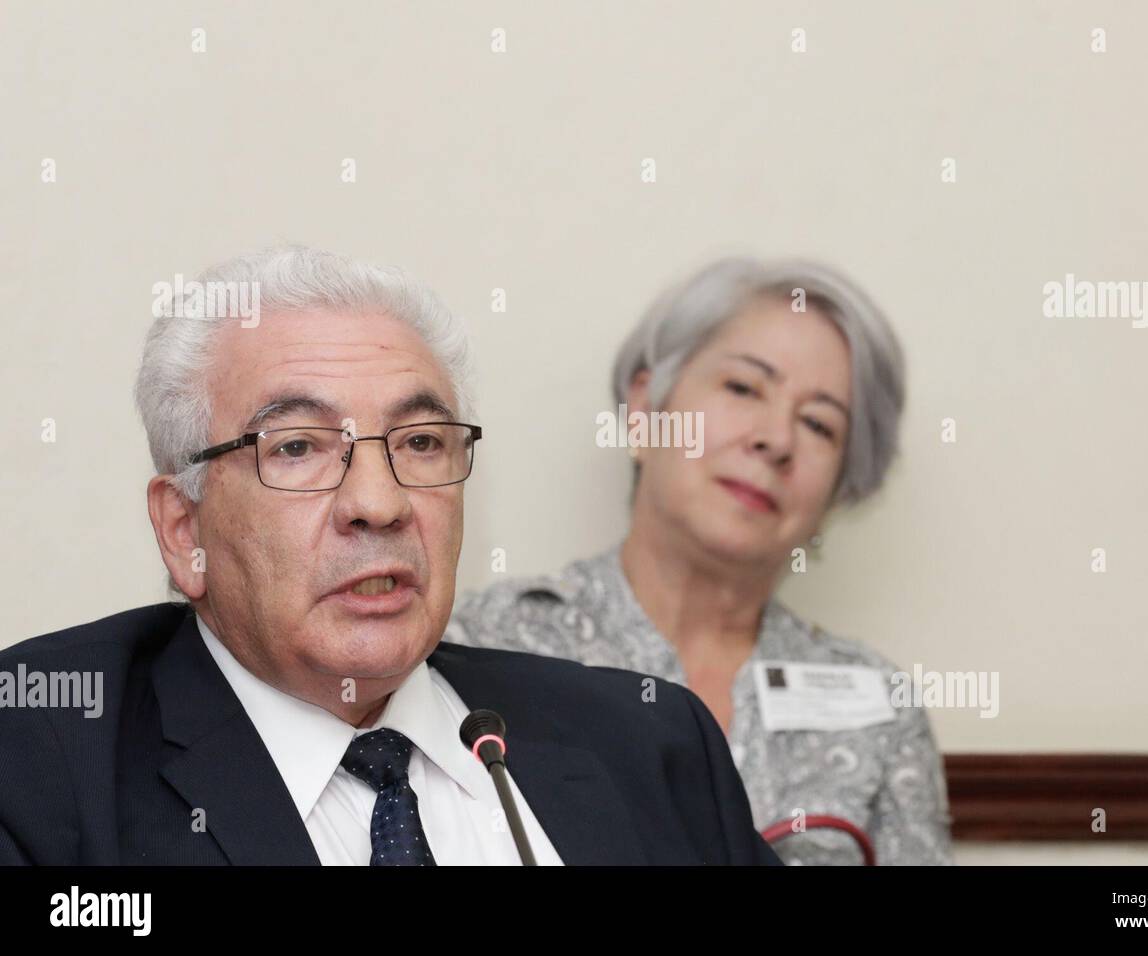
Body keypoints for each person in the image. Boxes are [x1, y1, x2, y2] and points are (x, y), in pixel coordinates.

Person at [0, 245, 779, 866]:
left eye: (419, 443)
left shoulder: (650, 743)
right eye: (298, 446)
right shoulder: (40, 763)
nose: (379, 502)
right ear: (183, 531)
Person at [449, 257, 954, 865]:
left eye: (819, 424)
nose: (776, 439)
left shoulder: (881, 707)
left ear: (840, 492)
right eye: (743, 388)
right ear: (645, 409)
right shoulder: (481, 642)